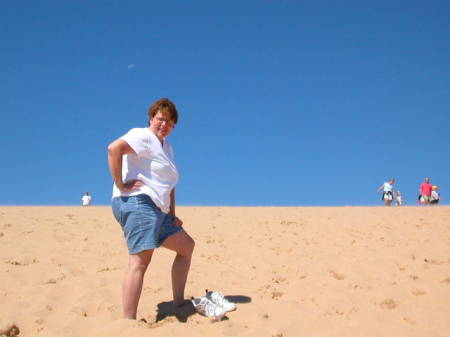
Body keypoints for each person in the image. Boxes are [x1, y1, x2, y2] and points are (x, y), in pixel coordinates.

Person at [107, 98, 195, 320]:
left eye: (170, 122)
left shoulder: (167, 148)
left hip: (159, 209)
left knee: (186, 246)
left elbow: (169, 185)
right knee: (139, 261)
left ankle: (178, 302)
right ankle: (127, 323)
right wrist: (120, 184)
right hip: (138, 202)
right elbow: (113, 149)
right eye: (161, 119)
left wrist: (172, 214)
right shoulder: (143, 135)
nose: (164, 125)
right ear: (151, 118)